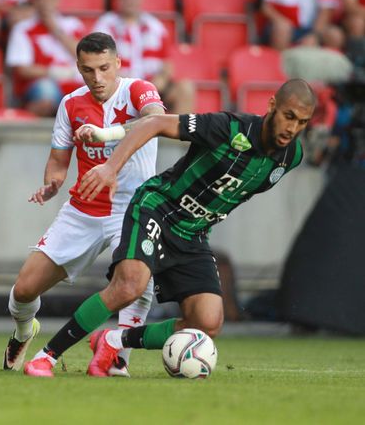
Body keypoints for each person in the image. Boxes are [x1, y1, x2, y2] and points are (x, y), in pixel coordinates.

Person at [23, 78, 315, 377]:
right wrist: (111, 167)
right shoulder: (229, 128)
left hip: (193, 233)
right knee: (129, 287)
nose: (292, 129)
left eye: (302, 122)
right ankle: (46, 356)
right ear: (271, 107)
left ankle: (112, 340)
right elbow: (155, 124)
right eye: (288, 116)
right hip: (158, 209)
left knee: (207, 322)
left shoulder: (290, 158)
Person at [5, 32, 164, 377]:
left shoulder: (138, 90)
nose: (97, 78)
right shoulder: (70, 104)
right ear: (78, 68)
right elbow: (59, 160)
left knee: (136, 281)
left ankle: (119, 356)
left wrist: (105, 134)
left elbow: (154, 120)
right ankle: (23, 331)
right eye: (88, 70)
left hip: (133, 207)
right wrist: (52, 182)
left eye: (104, 68)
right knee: (24, 289)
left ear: (118, 64)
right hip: (85, 209)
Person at [93, 0, 194, 114]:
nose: (130, 0)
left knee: (186, 88)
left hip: (153, 87)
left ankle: (180, 134)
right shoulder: (106, 24)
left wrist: (161, 79)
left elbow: (167, 64)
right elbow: (98, 62)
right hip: (120, 87)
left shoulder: (155, 26)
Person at [5, 0, 86, 117]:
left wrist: (55, 29)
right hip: (42, 85)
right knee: (46, 91)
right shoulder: (23, 29)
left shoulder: (73, 25)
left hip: (75, 82)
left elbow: (86, 57)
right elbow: (22, 69)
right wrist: (53, 72)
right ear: (34, 1)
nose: (45, 2)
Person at [254, 0, 338, 51]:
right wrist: (280, 21)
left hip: (311, 27)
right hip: (278, 25)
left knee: (335, 36)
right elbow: (262, 4)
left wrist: (315, 35)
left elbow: (326, 9)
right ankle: (278, 65)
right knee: (282, 30)